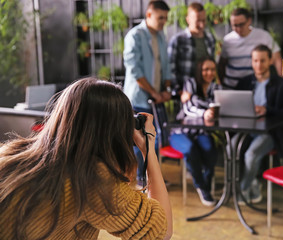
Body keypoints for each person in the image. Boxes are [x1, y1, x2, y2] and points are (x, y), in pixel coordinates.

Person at [0, 78, 172, 239]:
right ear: (117, 132)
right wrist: (148, 146)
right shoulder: (91, 179)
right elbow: (162, 232)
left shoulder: (10, 152)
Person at [233, 45, 283, 204]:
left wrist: (268, 110)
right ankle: (252, 182)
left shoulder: (281, 85)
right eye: (255, 61)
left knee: (251, 154)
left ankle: (244, 189)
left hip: (270, 132)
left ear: (270, 61)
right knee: (230, 149)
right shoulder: (244, 82)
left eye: (262, 61)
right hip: (246, 129)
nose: (258, 65)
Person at [123, 0, 173, 184]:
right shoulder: (134, 36)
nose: (163, 22)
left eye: (165, 18)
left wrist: (165, 90)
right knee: (141, 140)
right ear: (149, 15)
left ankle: (153, 178)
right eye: (160, 18)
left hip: (156, 99)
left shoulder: (161, 37)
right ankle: (143, 179)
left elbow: (166, 68)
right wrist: (154, 92)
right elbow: (135, 71)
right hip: (139, 98)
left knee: (156, 139)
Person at [169, 57, 221, 206]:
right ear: (200, 71)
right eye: (206, 69)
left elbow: (218, 107)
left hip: (201, 132)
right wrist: (206, 111)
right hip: (180, 132)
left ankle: (206, 181)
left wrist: (195, 99)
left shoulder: (215, 87)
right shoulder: (190, 83)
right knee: (191, 149)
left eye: (212, 69)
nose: (209, 73)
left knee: (210, 149)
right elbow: (188, 108)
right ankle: (202, 187)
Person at [218, 8, 282, 89]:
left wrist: (282, 81)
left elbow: (277, 58)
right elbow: (221, 65)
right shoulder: (227, 40)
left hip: (254, 85)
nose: (238, 29)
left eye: (241, 25)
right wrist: (221, 84)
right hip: (231, 86)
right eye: (235, 25)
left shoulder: (263, 36)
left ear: (249, 21)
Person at [168, 2, 216, 93]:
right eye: (198, 21)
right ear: (188, 20)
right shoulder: (178, 40)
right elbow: (170, 68)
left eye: (203, 20)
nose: (201, 25)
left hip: (205, 92)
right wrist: (178, 90)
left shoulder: (210, 39)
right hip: (185, 92)